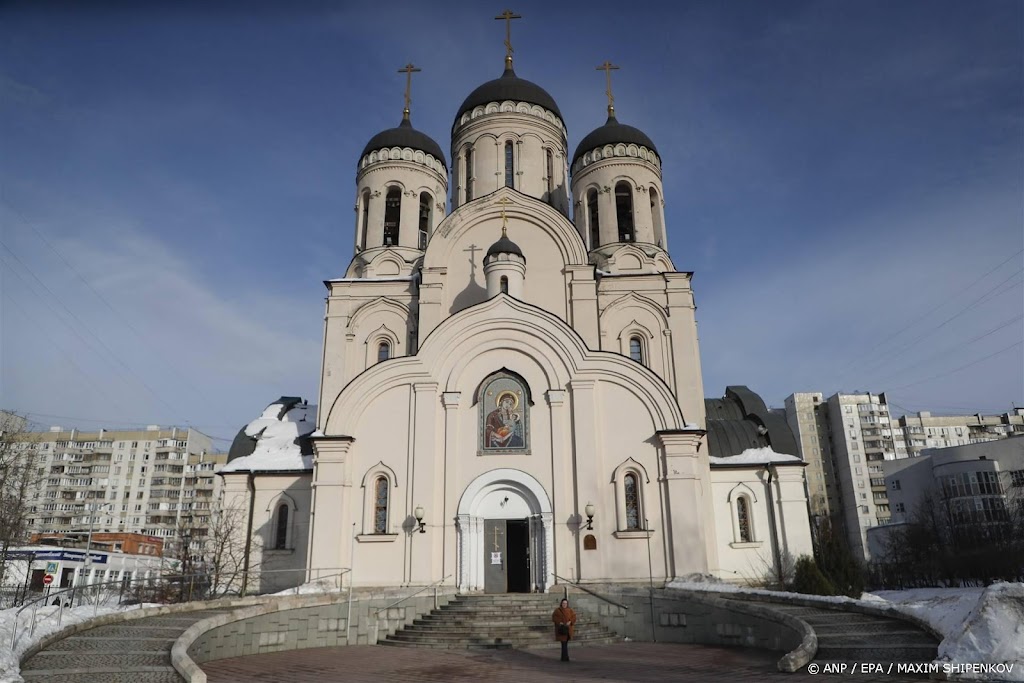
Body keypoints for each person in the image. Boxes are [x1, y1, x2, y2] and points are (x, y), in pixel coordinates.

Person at [552, 597, 576, 662]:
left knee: (565, 644)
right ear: (561, 603)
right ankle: (565, 657)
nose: (564, 604)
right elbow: (554, 618)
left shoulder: (570, 610)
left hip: (568, 630)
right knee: (564, 643)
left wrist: (570, 621)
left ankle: (564, 657)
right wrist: (560, 622)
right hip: (561, 630)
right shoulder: (557, 610)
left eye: (565, 603)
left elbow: (574, 617)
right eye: (563, 603)